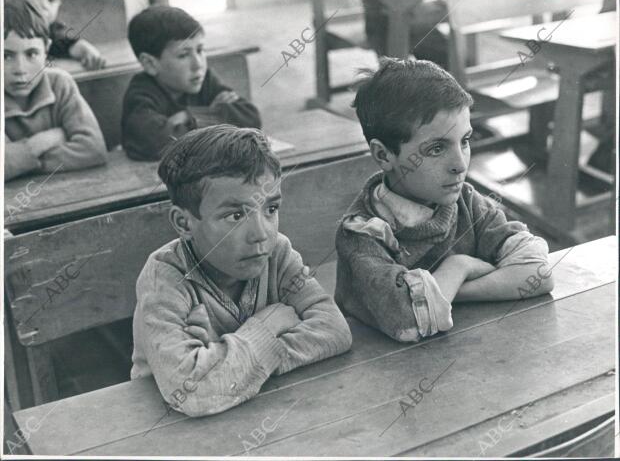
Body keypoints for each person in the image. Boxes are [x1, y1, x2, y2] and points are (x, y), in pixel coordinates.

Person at [131, 124, 352, 416]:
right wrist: (271, 322)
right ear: (184, 224)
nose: (261, 234)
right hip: (164, 428)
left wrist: (224, 363)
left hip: (256, 411)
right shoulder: (166, 277)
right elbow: (194, 393)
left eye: (270, 209)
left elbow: (335, 331)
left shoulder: (277, 253)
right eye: (236, 216)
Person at [335, 58, 553, 342]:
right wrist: (459, 266)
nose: (460, 164)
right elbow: (411, 322)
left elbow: (538, 273)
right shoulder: (362, 233)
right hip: (376, 371)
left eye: (465, 141)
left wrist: (448, 290)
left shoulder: (466, 201)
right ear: (383, 155)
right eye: (437, 149)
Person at [121, 5, 261, 161]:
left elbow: (250, 118)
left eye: (200, 50)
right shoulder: (140, 92)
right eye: (183, 55)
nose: (198, 64)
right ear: (150, 64)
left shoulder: (203, 78)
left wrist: (186, 117)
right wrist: (213, 112)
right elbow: (154, 143)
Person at [4, 0, 107, 181]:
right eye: (6, 56)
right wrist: (44, 141)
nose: (20, 69)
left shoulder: (61, 84)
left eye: (32, 54)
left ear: (46, 49)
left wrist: (19, 162)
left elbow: (94, 149)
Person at [24, 0, 106, 70]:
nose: (44, 5)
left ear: (59, 4)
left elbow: (65, 44)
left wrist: (85, 49)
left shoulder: (51, 30)